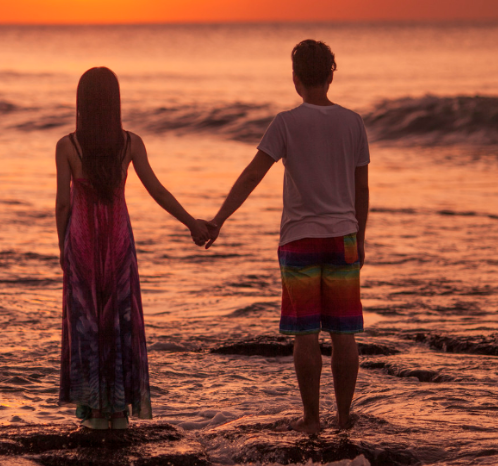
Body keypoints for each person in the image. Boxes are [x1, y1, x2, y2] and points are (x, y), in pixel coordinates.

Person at [199, 40, 369, 434]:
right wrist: (360, 237)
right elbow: (361, 188)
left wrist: (219, 219)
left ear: (296, 79)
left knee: (305, 334)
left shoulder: (286, 122)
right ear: (331, 75)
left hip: (299, 240)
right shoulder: (353, 122)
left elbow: (252, 175)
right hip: (343, 237)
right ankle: (344, 419)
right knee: (344, 333)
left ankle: (312, 419)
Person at [56, 66, 208, 430]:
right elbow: (157, 190)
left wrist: (64, 247)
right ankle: (119, 411)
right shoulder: (130, 143)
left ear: (81, 102)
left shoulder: (67, 146)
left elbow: (62, 204)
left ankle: (95, 412)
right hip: (118, 241)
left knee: (87, 322)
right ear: (115, 102)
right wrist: (192, 223)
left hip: (82, 242)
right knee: (121, 319)